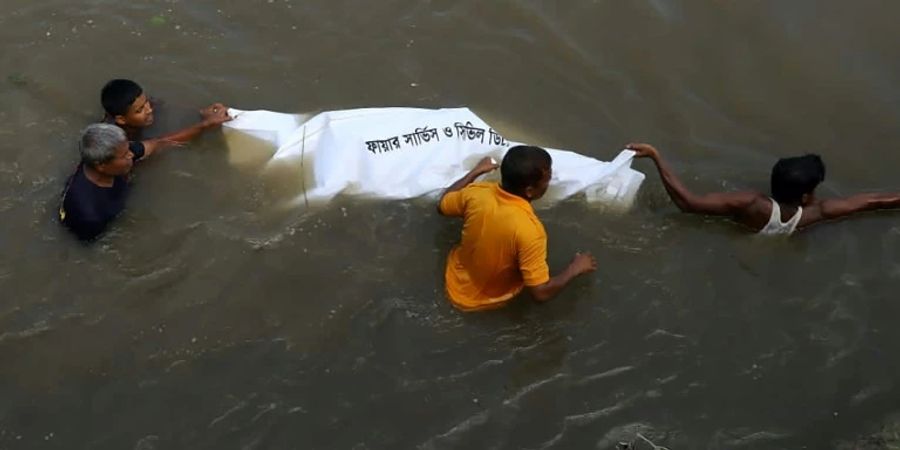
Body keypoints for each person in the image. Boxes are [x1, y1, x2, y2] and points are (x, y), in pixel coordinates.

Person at [438, 146, 597, 311]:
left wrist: (476, 171)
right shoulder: (531, 231)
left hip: (453, 277)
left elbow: (442, 205)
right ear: (529, 190)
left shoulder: (477, 193)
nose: (550, 180)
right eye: (548, 178)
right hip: (487, 301)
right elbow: (541, 293)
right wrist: (575, 269)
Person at [626, 142, 900, 235]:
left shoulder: (751, 204)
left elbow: (687, 203)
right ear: (806, 196)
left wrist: (656, 157)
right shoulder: (815, 214)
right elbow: (873, 201)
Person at [59, 124, 181, 241]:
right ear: (101, 165)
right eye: (125, 155)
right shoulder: (88, 213)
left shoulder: (118, 154)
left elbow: (158, 143)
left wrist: (200, 126)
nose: (131, 154)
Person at [100, 78, 230, 142]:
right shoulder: (121, 137)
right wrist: (203, 126)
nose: (149, 110)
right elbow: (161, 143)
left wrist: (201, 112)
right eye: (139, 110)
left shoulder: (144, 103)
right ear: (121, 119)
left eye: (146, 103)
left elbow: (167, 105)